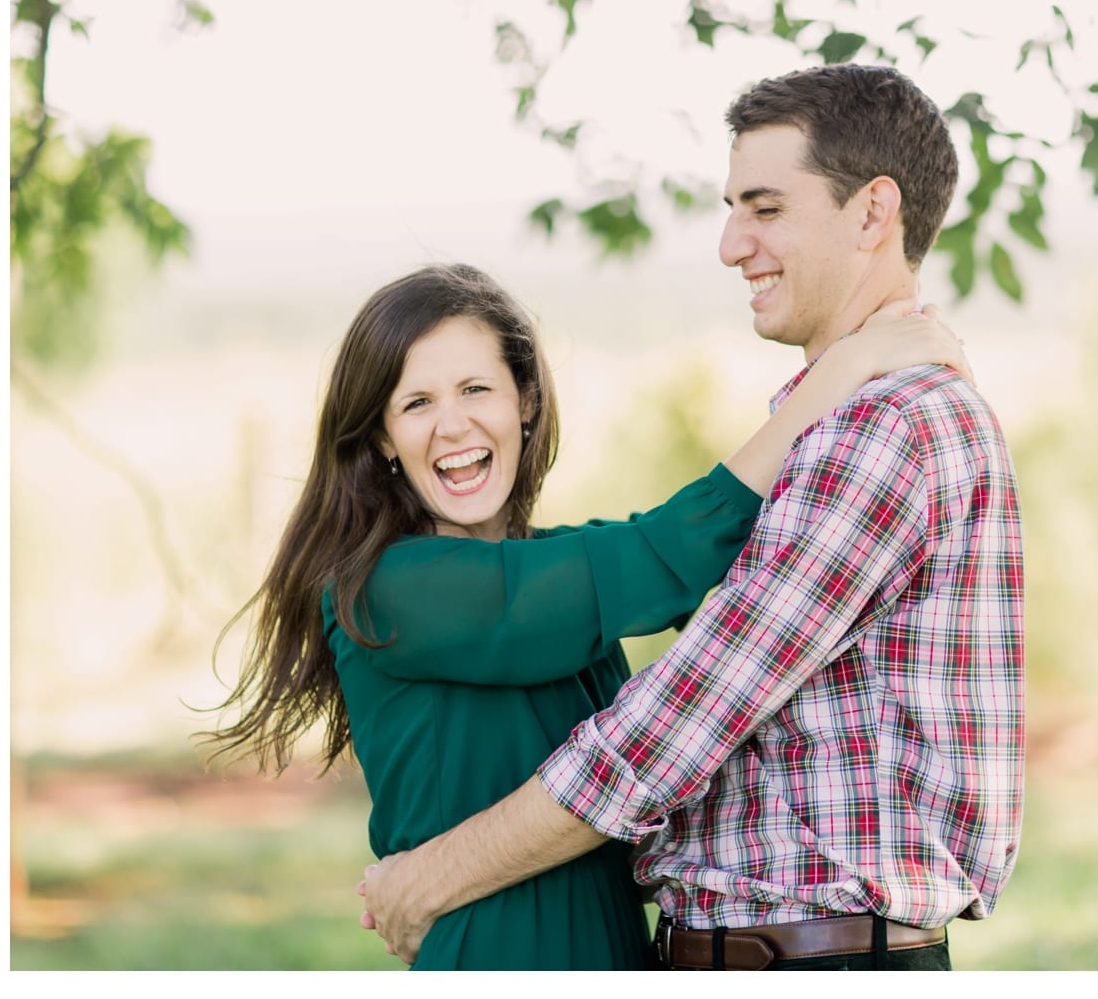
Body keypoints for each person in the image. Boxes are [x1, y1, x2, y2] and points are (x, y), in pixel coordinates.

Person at [360, 63, 1025, 972]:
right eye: (732, 207)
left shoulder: (882, 429)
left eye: (765, 207)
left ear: (873, 213)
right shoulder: (844, 418)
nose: (729, 243)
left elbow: (678, 725)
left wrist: (431, 877)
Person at [200, 260, 971, 970]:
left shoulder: (560, 577)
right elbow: (670, 549)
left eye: (476, 389)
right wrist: (847, 367)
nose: (453, 425)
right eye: (416, 403)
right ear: (382, 438)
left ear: (525, 401)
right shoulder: (384, 590)